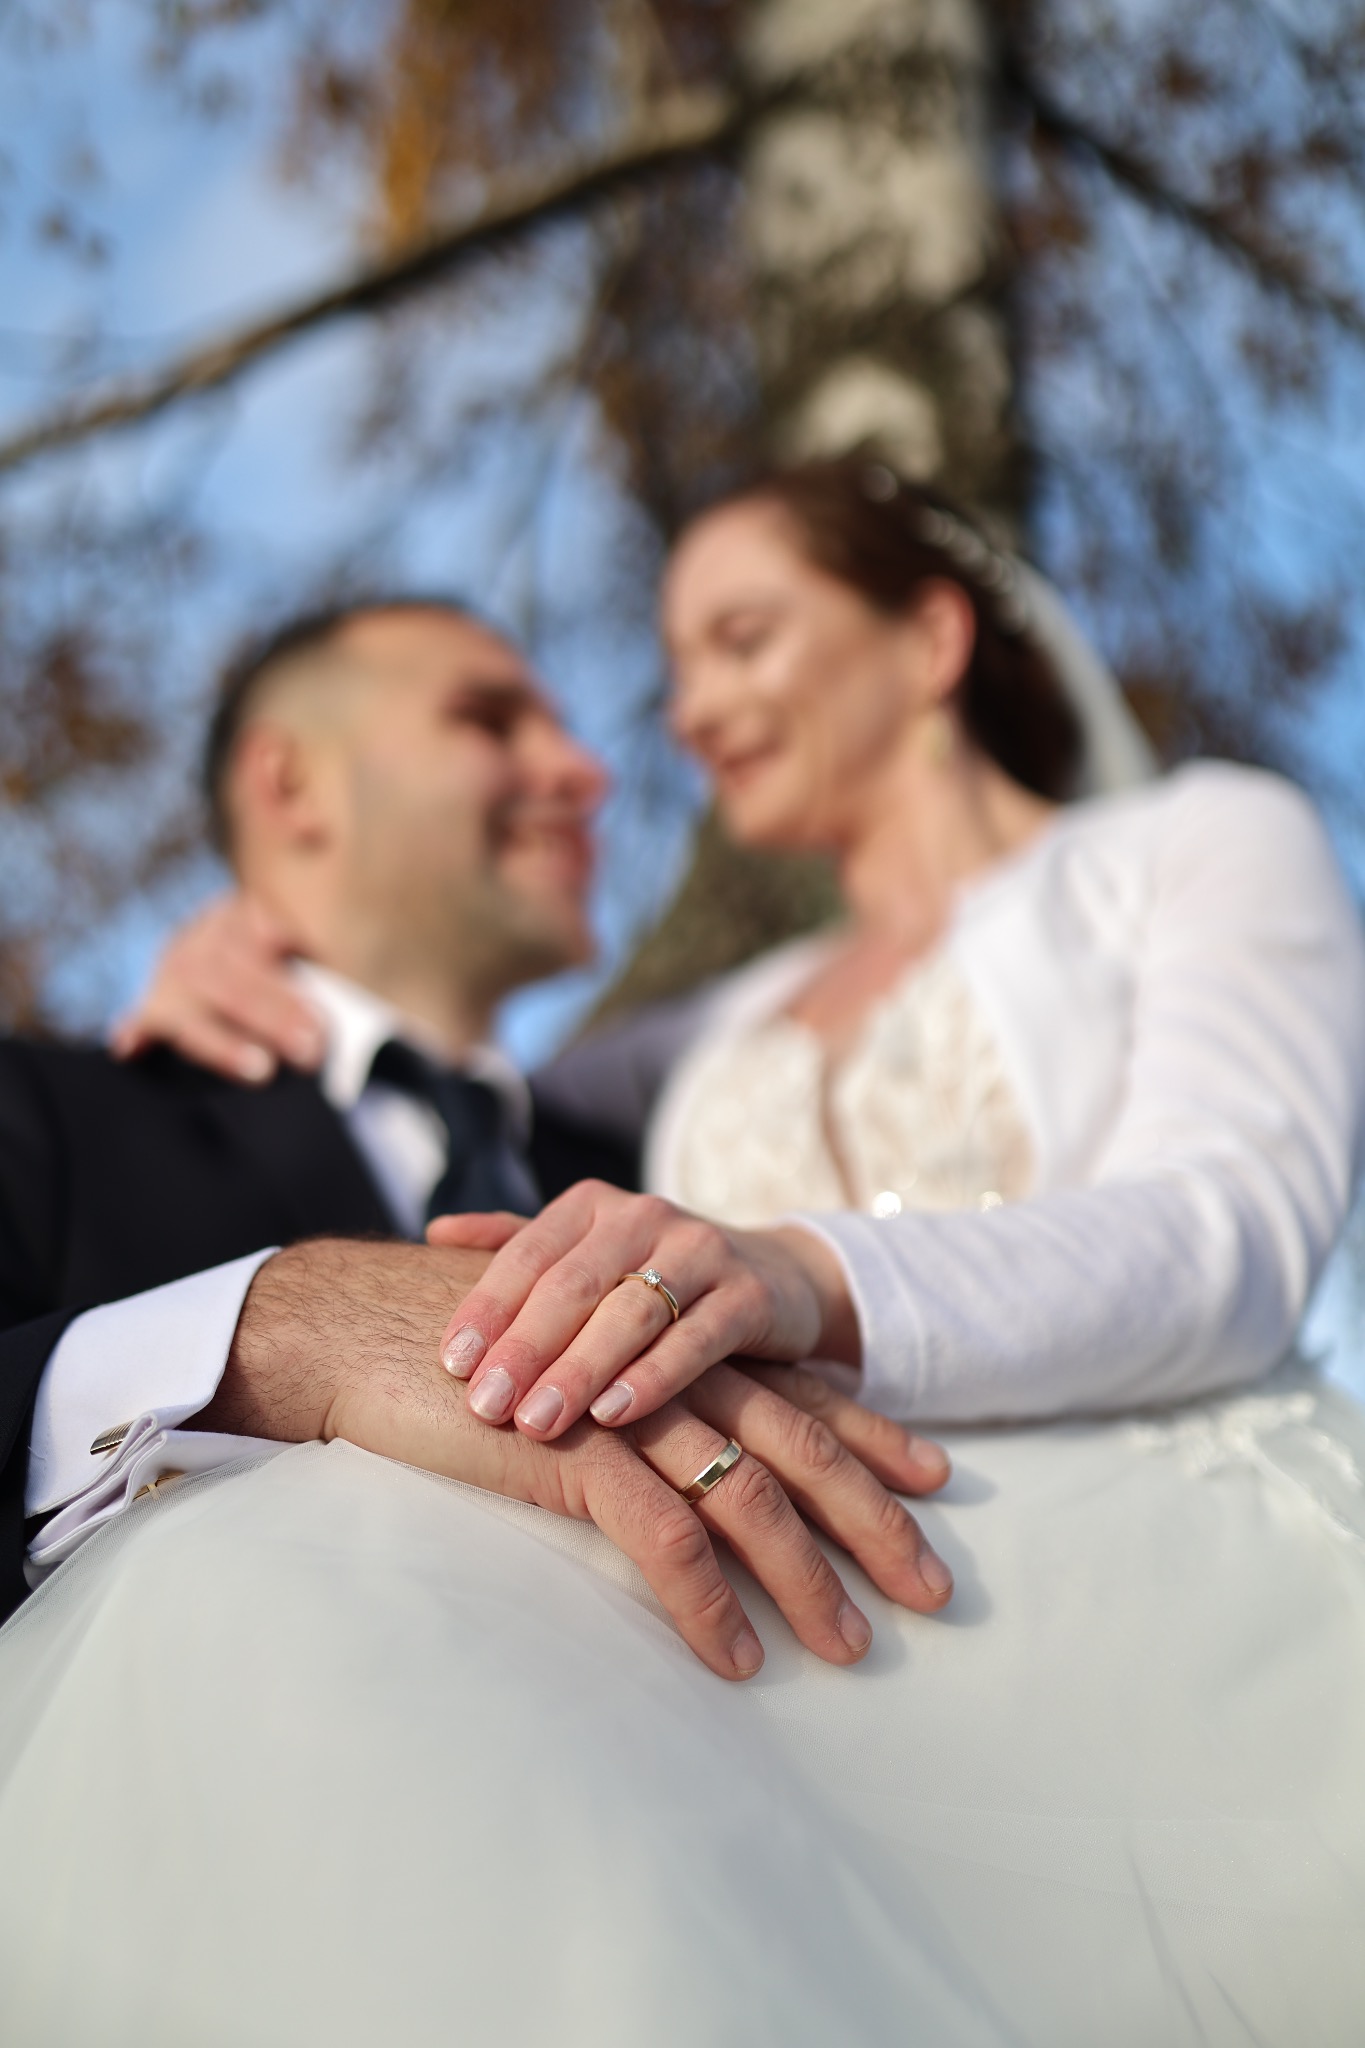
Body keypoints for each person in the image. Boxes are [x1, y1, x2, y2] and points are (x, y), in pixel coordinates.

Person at [85, 456, 1365, 2044]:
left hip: (1163, 1568)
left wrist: (801, 1272)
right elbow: (426, 1081)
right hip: (829, 1620)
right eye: (679, 666)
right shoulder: (701, 1037)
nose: (686, 715)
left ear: (930, 640)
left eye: (743, 638)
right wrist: (252, 938)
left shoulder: (1201, 842)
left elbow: (1228, 1223)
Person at [0, 595, 955, 1669]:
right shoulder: (41, 1112)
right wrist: (269, 1331)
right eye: (490, 720)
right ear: (292, 785)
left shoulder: (672, 1178)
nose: (586, 773)